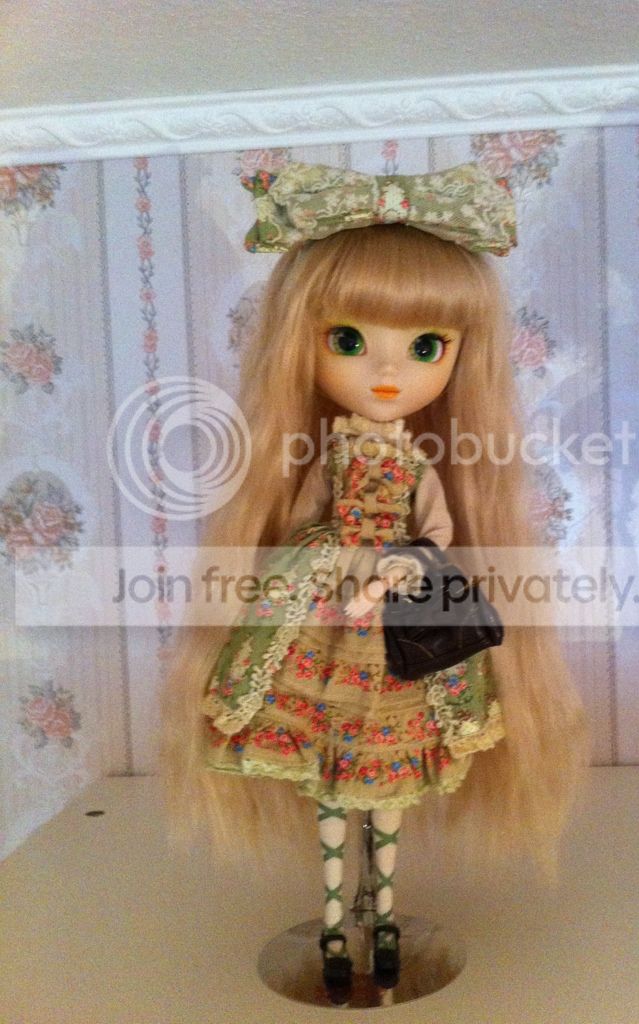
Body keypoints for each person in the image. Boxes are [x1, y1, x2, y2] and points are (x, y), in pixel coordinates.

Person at [159, 162, 589, 1000]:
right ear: (304, 344)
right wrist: (316, 569)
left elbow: (439, 530)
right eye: (349, 341)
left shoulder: (420, 460)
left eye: (426, 347)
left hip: (399, 618)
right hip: (325, 619)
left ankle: (381, 915)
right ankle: (334, 922)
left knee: (390, 777)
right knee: (330, 781)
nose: (388, 372)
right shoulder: (327, 454)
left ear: (460, 355)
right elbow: (298, 522)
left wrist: (402, 562)